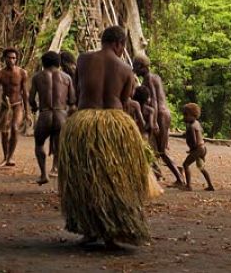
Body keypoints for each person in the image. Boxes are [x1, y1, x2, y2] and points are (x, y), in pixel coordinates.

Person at [57, 26, 156, 248]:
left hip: (84, 123)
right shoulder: (126, 69)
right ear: (119, 44)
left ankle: (89, 229)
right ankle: (112, 231)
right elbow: (124, 100)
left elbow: (78, 91)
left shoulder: (83, 60)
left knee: (85, 177)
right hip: (115, 125)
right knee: (115, 179)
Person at [133, 54, 185, 187]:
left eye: (135, 67)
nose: (134, 70)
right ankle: (159, 173)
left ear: (142, 67)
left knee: (162, 150)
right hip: (164, 113)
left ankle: (180, 179)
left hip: (160, 114)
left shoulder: (148, 79)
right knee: (156, 147)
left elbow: (155, 100)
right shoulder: (155, 77)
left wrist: (155, 120)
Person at [29, 51, 75, 185]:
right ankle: (58, 171)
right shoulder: (67, 78)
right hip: (61, 115)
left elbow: (31, 98)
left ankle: (44, 174)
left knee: (39, 144)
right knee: (60, 146)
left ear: (43, 63)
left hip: (45, 114)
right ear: (58, 63)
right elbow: (72, 99)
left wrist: (34, 107)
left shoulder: (37, 77)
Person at [0, 48, 28, 167]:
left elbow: (25, 93)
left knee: (15, 128)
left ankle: (10, 157)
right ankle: (5, 157)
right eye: (9, 58)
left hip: (17, 105)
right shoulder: (0, 74)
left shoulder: (22, 73)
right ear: (4, 58)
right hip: (5, 106)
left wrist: (27, 112)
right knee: (4, 132)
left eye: (13, 58)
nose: (11, 60)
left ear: (16, 59)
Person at [181, 103, 214, 191]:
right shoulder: (196, 123)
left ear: (193, 115)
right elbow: (198, 133)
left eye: (186, 115)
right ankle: (210, 185)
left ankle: (188, 186)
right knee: (201, 167)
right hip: (202, 148)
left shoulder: (191, 127)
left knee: (185, 164)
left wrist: (191, 150)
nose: (184, 117)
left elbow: (194, 141)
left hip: (197, 149)